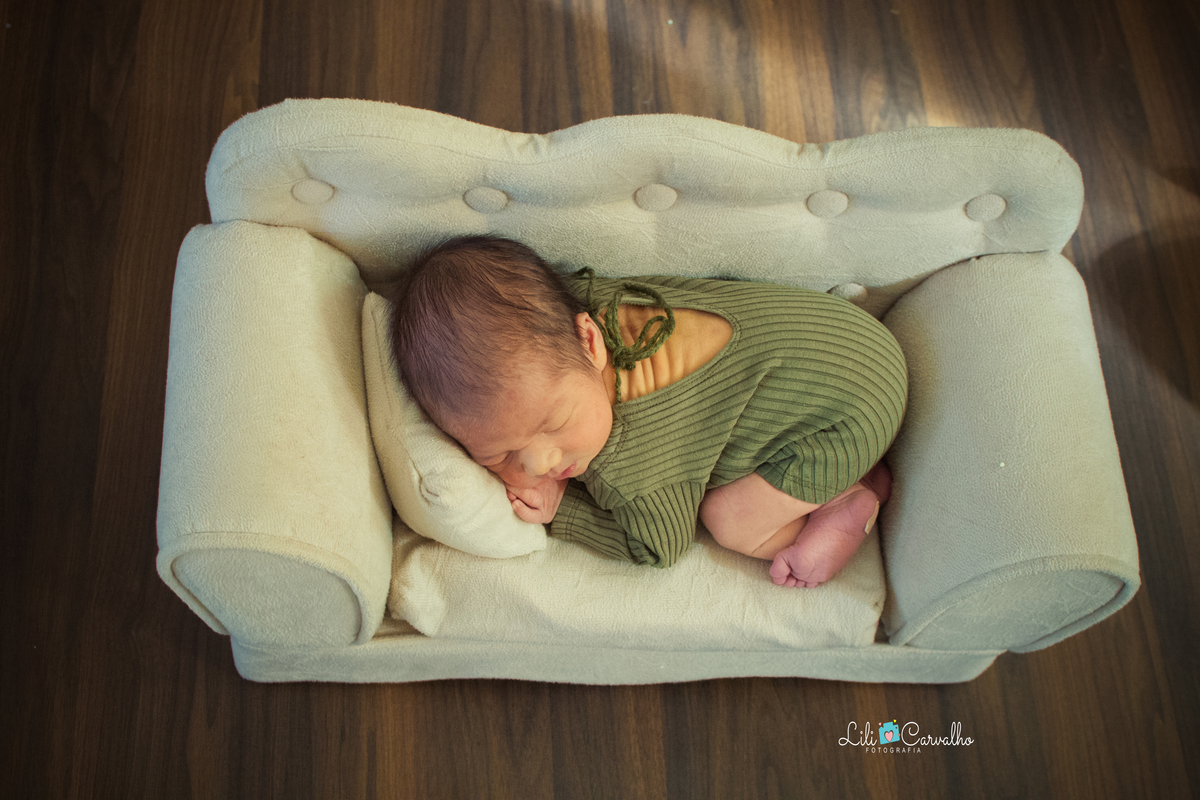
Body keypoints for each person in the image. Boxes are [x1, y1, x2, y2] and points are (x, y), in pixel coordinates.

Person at [388, 235, 907, 587]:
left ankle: (845, 502)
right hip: (852, 337)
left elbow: (660, 546)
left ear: (589, 341)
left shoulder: (629, 469)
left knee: (728, 520)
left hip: (845, 418)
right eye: (499, 456)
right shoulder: (584, 307)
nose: (538, 464)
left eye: (553, 424)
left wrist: (562, 511)